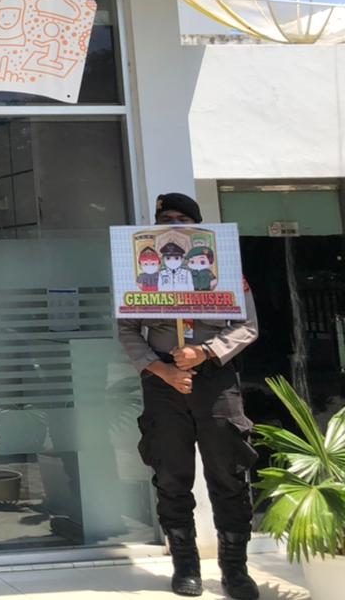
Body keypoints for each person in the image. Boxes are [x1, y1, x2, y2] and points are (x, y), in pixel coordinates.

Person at [117, 192, 260, 600]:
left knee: (227, 471)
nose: (174, 223)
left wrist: (205, 352)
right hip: (163, 378)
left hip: (214, 378)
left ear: (197, 225)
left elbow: (248, 326)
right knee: (171, 472)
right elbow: (127, 328)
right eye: (166, 218)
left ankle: (235, 569)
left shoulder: (224, 268)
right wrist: (162, 369)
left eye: (183, 217)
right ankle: (185, 564)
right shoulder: (139, 271)